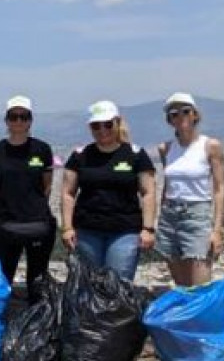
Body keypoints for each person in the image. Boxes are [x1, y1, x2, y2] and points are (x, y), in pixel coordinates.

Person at [60, 100, 156, 282]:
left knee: (119, 283)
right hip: (87, 230)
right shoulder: (80, 156)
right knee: (87, 284)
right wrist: (67, 227)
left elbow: (148, 192)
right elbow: (67, 192)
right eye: (96, 126)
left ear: (117, 123)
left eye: (108, 124)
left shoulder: (136, 155)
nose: (102, 130)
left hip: (125, 231)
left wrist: (148, 229)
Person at [0, 95, 56, 297]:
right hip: (6, 225)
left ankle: (38, 324)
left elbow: (46, 185)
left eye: (24, 117)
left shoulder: (42, 149)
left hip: (37, 223)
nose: (19, 121)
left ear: (31, 120)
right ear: (6, 120)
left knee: (38, 281)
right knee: (3, 279)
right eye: (14, 117)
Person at [156, 92, 224, 287]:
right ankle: (186, 318)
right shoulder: (165, 148)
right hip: (169, 215)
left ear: (195, 114)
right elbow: (168, 184)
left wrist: (217, 230)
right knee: (182, 286)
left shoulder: (210, 146)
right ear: (169, 120)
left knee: (200, 285)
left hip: (197, 214)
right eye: (174, 114)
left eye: (185, 111)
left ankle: (201, 318)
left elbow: (220, 189)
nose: (180, 117)